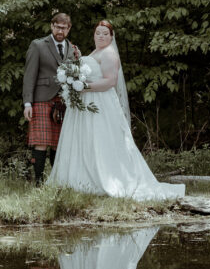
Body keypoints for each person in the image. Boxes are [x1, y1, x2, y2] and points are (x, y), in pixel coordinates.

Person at [48, 20, 185, 201]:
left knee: (101, 140)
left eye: (105, 33)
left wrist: (84, 86)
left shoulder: (109, 54)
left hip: (100, 103)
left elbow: (110, 81)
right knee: (86, 140)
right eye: (98, 33)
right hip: (86, 103)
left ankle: (106, 179)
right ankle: (80, 179)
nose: (101, 36)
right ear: (94, 35)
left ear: (111, 37)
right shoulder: (95, 52)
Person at [23, 12, 79, 185]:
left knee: (58, 142)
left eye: (64, 28)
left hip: (64, 102)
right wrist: (27, 103)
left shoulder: (74, 49)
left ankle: (56, 181)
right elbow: (29, 76)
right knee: (41, 141)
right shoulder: (38, 45)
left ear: (68, 29)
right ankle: (38, 181)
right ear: (51, 26)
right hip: (41, 99)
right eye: (57, 27)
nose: (60, 31)